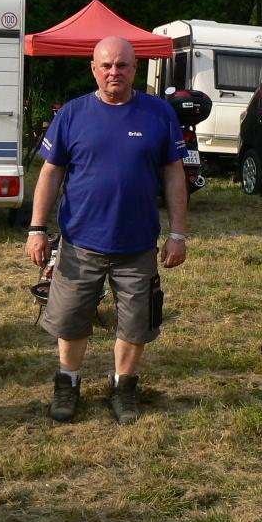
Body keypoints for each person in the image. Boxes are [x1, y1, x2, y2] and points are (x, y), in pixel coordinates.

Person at [25, 36, 188, 425]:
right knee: (70, 318)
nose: (114, 72)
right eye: (106, 65)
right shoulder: (72, 114)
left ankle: (123, 387)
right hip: (80, 243)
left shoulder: (158, 113)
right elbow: (50, 173)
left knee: (136, 323)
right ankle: (68, 383)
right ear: (94, 69)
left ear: (135, 68)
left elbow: (174, 174)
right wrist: (37, 228)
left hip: (137, 245)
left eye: (122, 65)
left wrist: (178, 234)